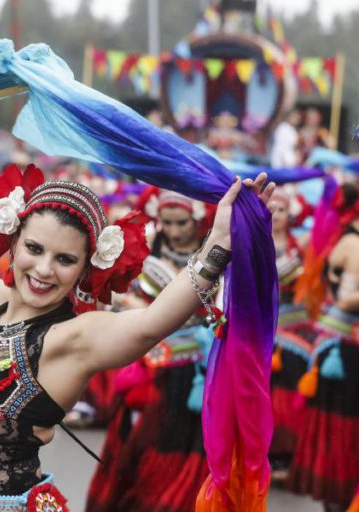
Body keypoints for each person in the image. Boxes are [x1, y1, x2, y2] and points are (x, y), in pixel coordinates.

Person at [0, 89, 275, 510]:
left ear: (85, 268)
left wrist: (219, 242)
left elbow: (151, 323)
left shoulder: (71, 339)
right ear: (14, 241)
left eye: (64, 259)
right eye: (35, 249)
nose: (43, 270)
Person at [86, 189, 215, 512]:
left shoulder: (214, 258)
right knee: (143, 441)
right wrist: (127, 304)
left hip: (196, 369)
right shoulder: (147, 257)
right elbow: (118, 296)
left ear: (197, 220)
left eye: (180, 222)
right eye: (166, 222)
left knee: (187, 443)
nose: (173, 230)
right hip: (151, 365)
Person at [288, 183, 359, 511]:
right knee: (344, 430)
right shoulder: (353, 243)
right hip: (343, 348)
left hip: (338, 343)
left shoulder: (345, 237)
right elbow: (347, 298)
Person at [268, 188, 310, 485]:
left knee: (287, 393)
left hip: (294, 331)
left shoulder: (301, 248)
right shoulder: (254, 242)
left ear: (289, 214)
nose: (275, 215)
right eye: (271, 209)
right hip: (262, 328)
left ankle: (284, 454)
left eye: (281, 210)